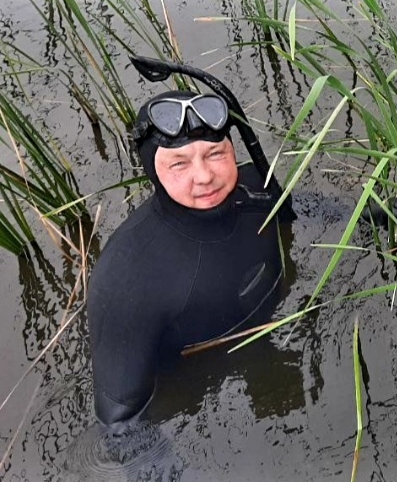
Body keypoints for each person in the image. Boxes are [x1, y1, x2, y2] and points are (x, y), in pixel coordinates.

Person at [86, 89, 296, 431]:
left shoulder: (257, 185)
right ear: (153, 170)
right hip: (201, 393)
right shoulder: (125, 277)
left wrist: (370, 217)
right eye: (179, 163)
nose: (204, 176)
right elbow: (119, 423)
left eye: (215, 154)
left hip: (274, 341)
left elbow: (300, 216)